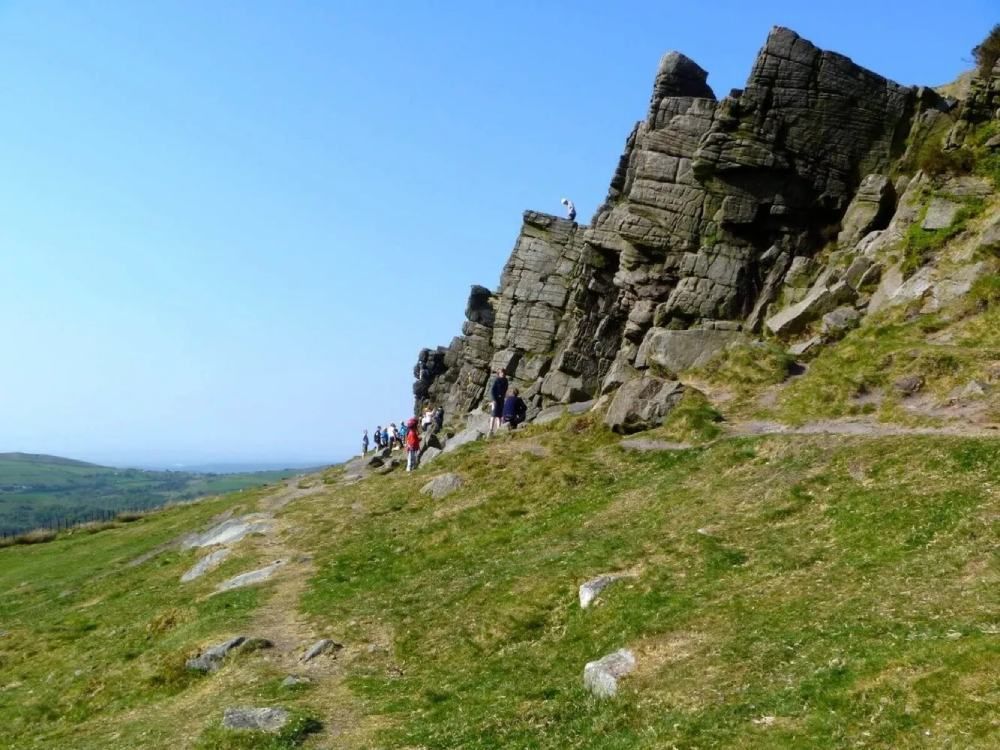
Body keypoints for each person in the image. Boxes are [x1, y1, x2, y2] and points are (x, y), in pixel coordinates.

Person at [489, 368, 509, 435]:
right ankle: (490, 430)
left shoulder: (506, 380)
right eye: (501, 372)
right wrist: (494, 400)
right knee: (493, 415)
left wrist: (503, 397)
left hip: (501, 400)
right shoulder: (496, 380)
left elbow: (505, 390)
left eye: (503, 372)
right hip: (495, 400)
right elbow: (492, 391)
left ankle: (498, 431)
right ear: (498, 374)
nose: (502, 373)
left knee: (499, 416)